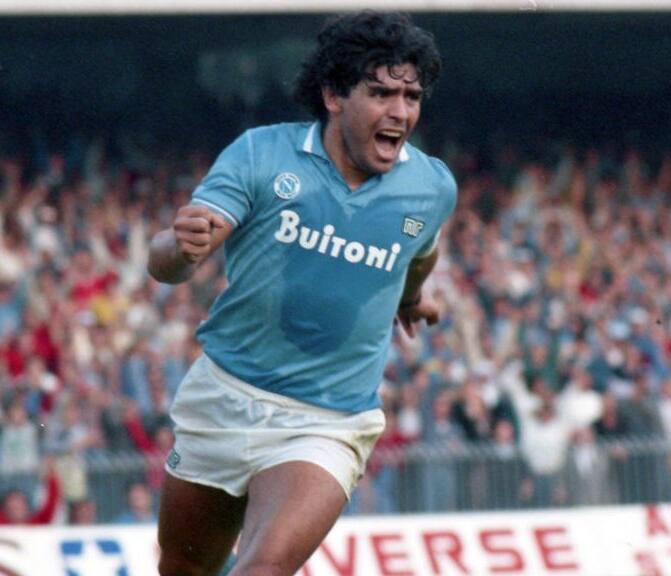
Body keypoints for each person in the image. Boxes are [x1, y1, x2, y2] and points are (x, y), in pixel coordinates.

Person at [147, 11, 454, 576]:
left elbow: (422, 254)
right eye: (381, 92)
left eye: (410, 96)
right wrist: (178, 247)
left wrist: (411, 297)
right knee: (183, 569)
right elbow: (167, 264)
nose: (400, 112)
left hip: (327, 420)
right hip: (223, 397)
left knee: (262, 569)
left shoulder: (430, 186)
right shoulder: (261, 155)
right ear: (334, 95)